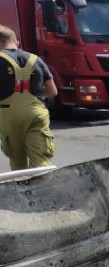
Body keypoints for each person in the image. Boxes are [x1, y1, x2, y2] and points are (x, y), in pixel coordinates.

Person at [0, 25, 57, 170]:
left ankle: (22, 189)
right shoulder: (35, 59)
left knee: (18, 165)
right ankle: (44, 190)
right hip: (35, 114)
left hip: (8, 117)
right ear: (16, 41)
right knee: (40, 164)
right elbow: (52, 90)